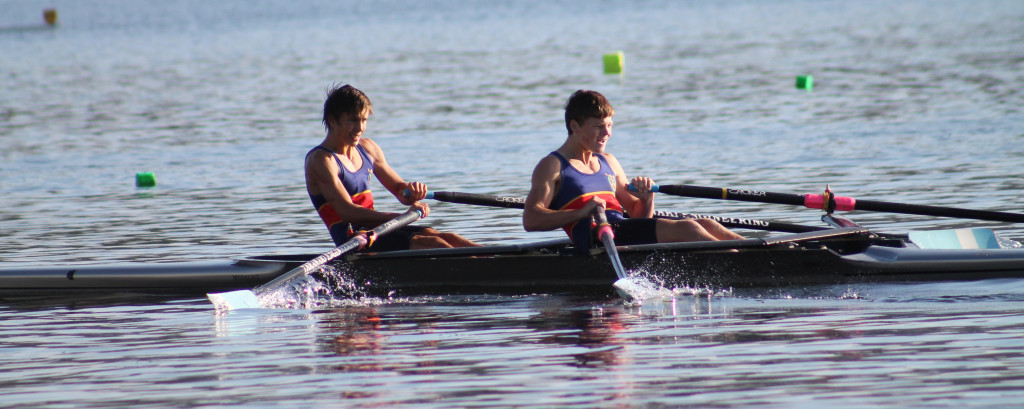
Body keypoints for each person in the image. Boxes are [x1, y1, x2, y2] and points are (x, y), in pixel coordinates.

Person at [523, 89, 743, 250]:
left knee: (706, 224)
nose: (607, 133)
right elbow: (531, 219)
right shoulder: (553, 166)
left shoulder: (609, 161)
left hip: (621, 233)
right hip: (595, 238)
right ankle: (745, 264)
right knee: (689, 230)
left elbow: (639, 217)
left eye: (609, 125)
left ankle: (762, 253)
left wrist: (646, 199)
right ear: (574, 126)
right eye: (599, 126)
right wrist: (581, 212)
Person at [305, 84, 479, 251]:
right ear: (332, 120)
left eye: (364, 120)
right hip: (354, 239)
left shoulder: (368, 149)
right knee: (433, 243)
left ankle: (495, 260)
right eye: (353, 120)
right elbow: (347, 212)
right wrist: (400, 218)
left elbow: (400, 191)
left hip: (378, 230)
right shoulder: (321, 160)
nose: (360, 128)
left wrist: (411, 192)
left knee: (446, 237)